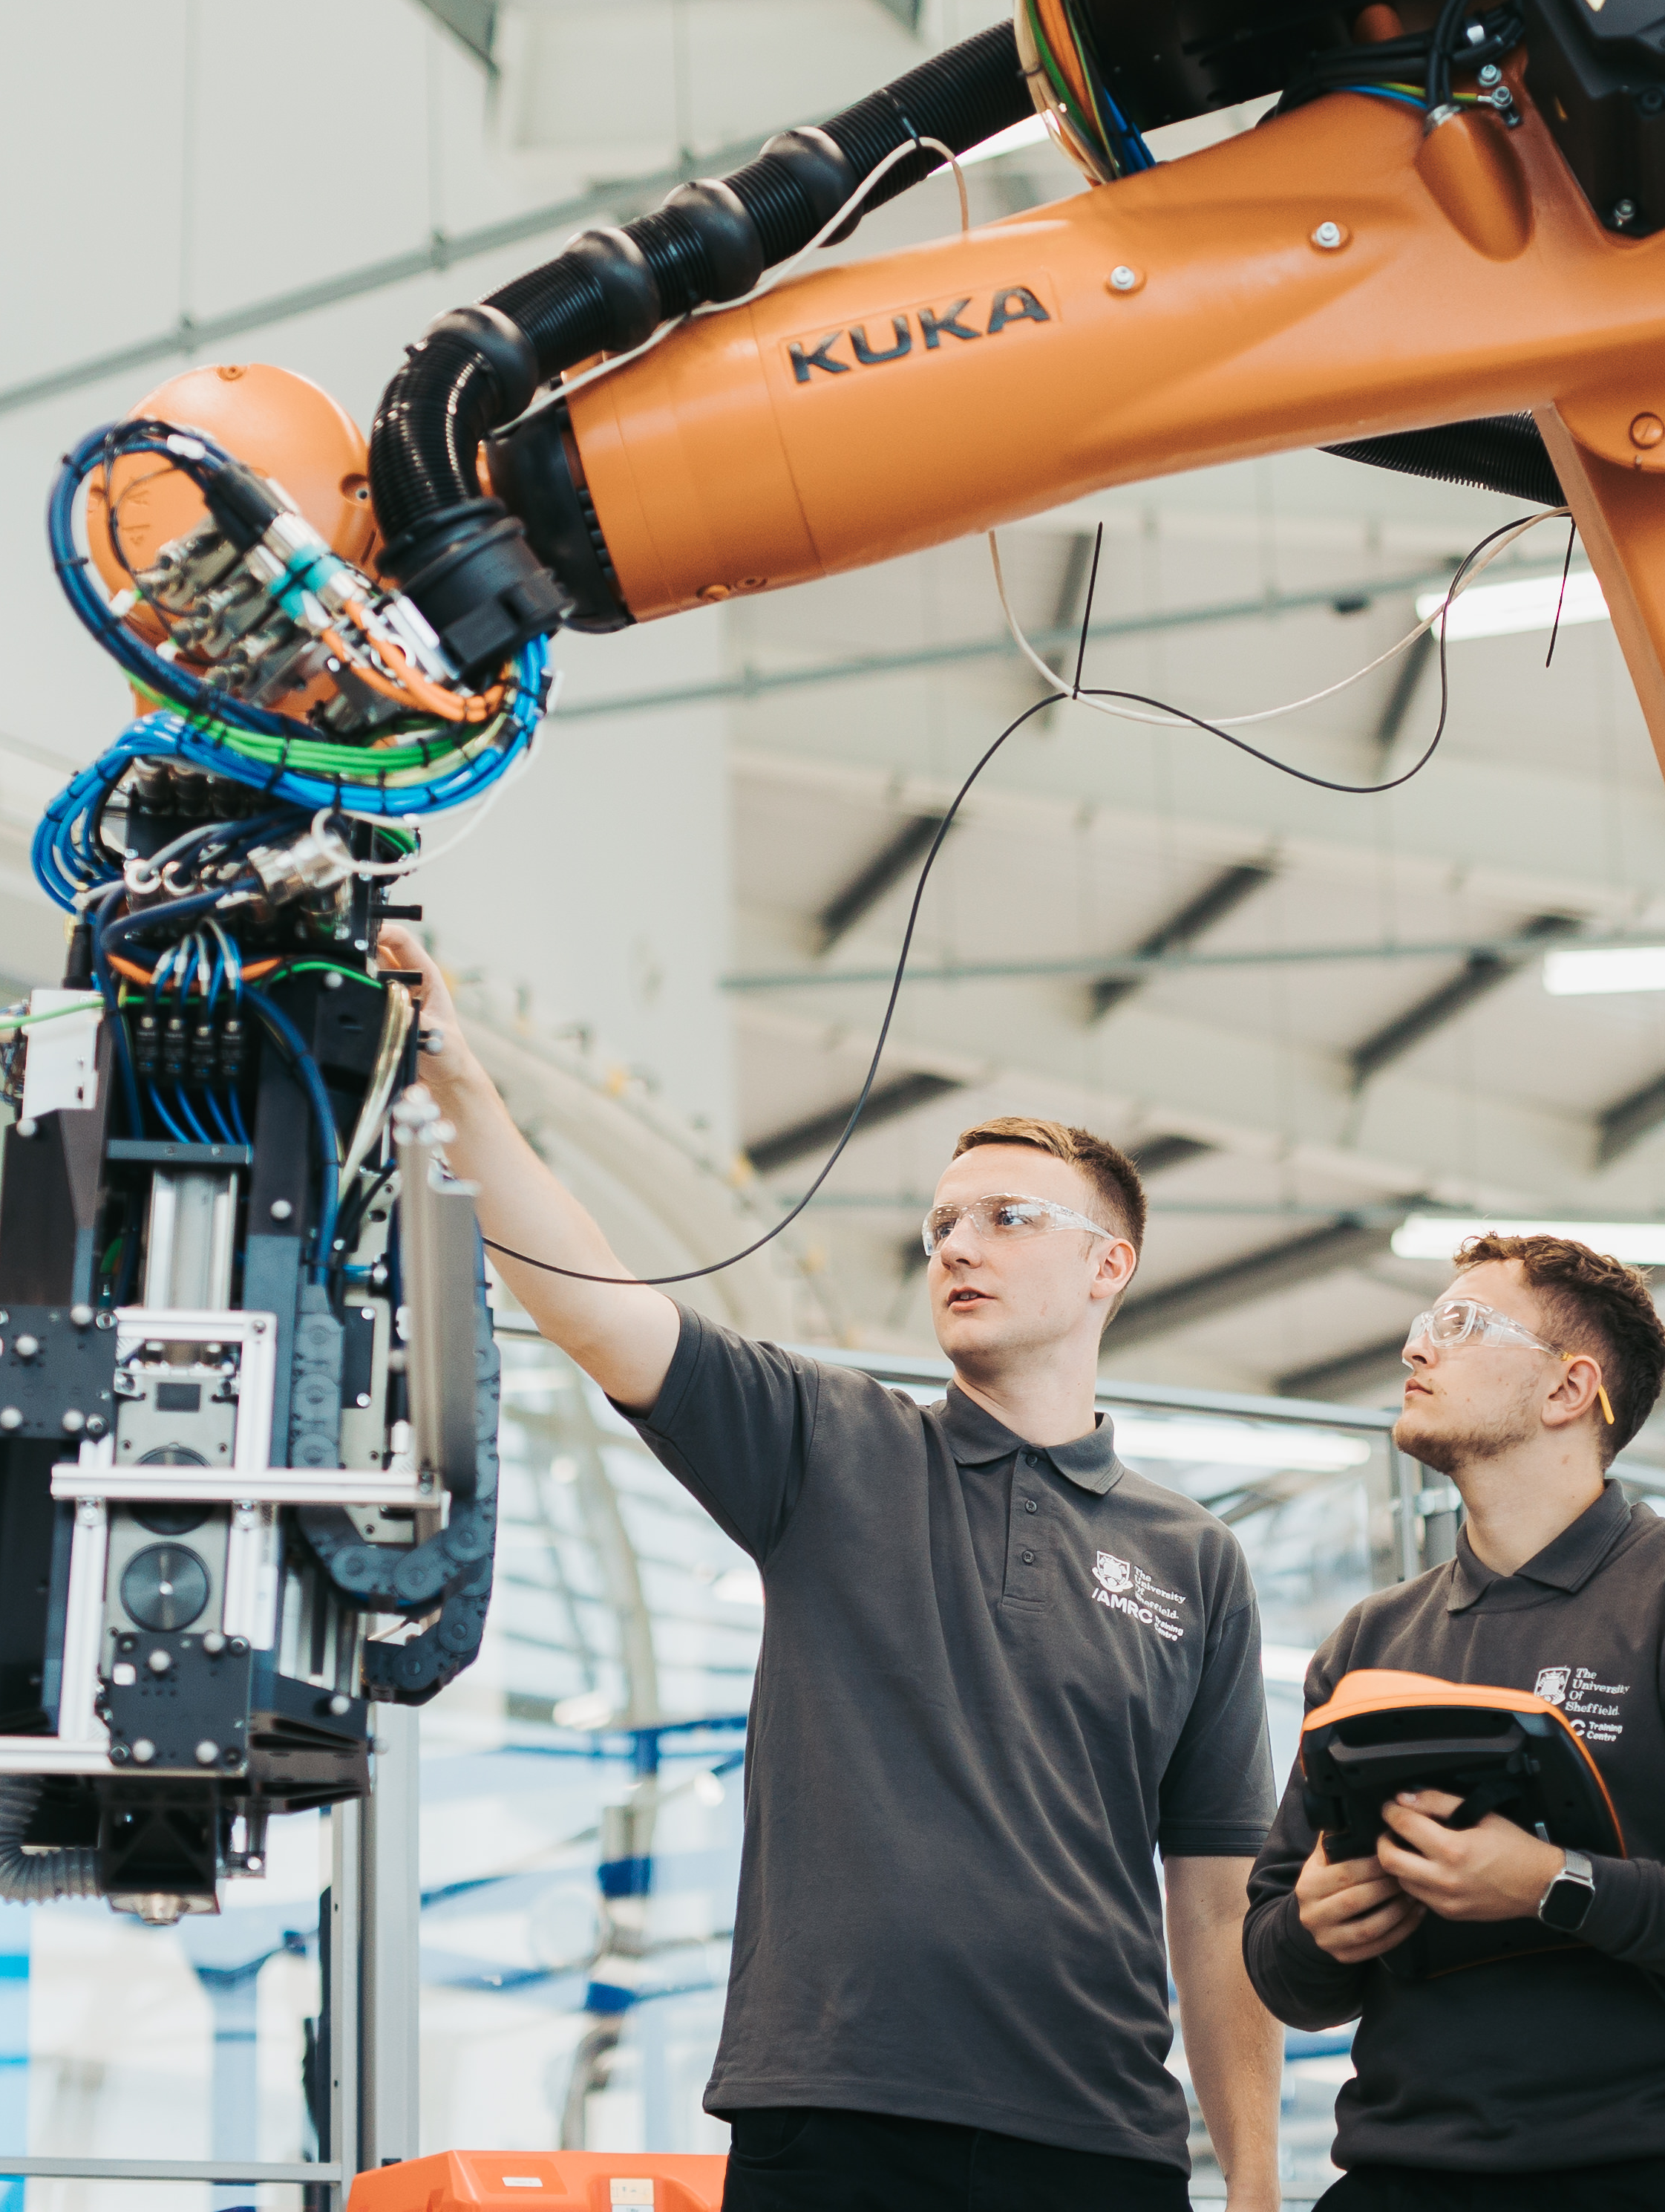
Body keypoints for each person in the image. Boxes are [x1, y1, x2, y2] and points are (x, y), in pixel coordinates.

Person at [378, 930, 1283, 2211]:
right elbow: (592, 1298)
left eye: (1007, 1217)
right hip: (834, 2117)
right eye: (941, 1224)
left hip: (1098, 2139)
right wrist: (461, 1088)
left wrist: (1253, 2181)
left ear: (1108, 1267)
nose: (958, 1245)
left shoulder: (1197, 1561)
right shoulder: (826, 1440)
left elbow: (1213, 1898)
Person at [1244, 1233, 1665, 2211]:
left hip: (1644, 2182)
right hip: (1400, 2179)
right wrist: (1321, 1926)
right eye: (1421, 1325)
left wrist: (1552, 1886)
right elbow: (1283, 1962)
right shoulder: (1370, 1641)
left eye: (1462, 1325)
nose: (1415, 1350)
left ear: (1569, 1390)